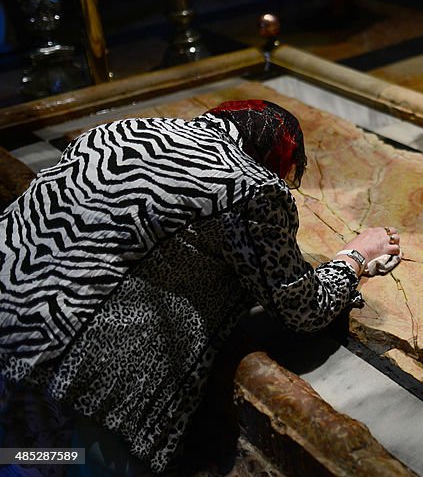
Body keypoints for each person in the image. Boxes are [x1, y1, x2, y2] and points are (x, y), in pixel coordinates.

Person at [0, 100, 401, 474]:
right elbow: (302, 306)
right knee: (60, 465)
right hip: (69, 381)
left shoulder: (115, 132)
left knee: (10, 460)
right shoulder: (251, 185)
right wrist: (355, 257)